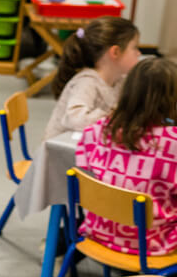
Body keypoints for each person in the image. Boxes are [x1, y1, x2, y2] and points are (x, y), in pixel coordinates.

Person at [76, 57, 177, 256]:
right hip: (154, 244)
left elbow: (84, 175)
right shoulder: (173, 143)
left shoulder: (96, 131)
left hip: (98, 232)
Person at [44, 16, 142, 140]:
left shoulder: (119, 80)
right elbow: (75, 119)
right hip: (62, 154)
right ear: (115, 52)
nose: (139, 53)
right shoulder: (87, 82)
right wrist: (112, 117)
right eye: (135, 48)